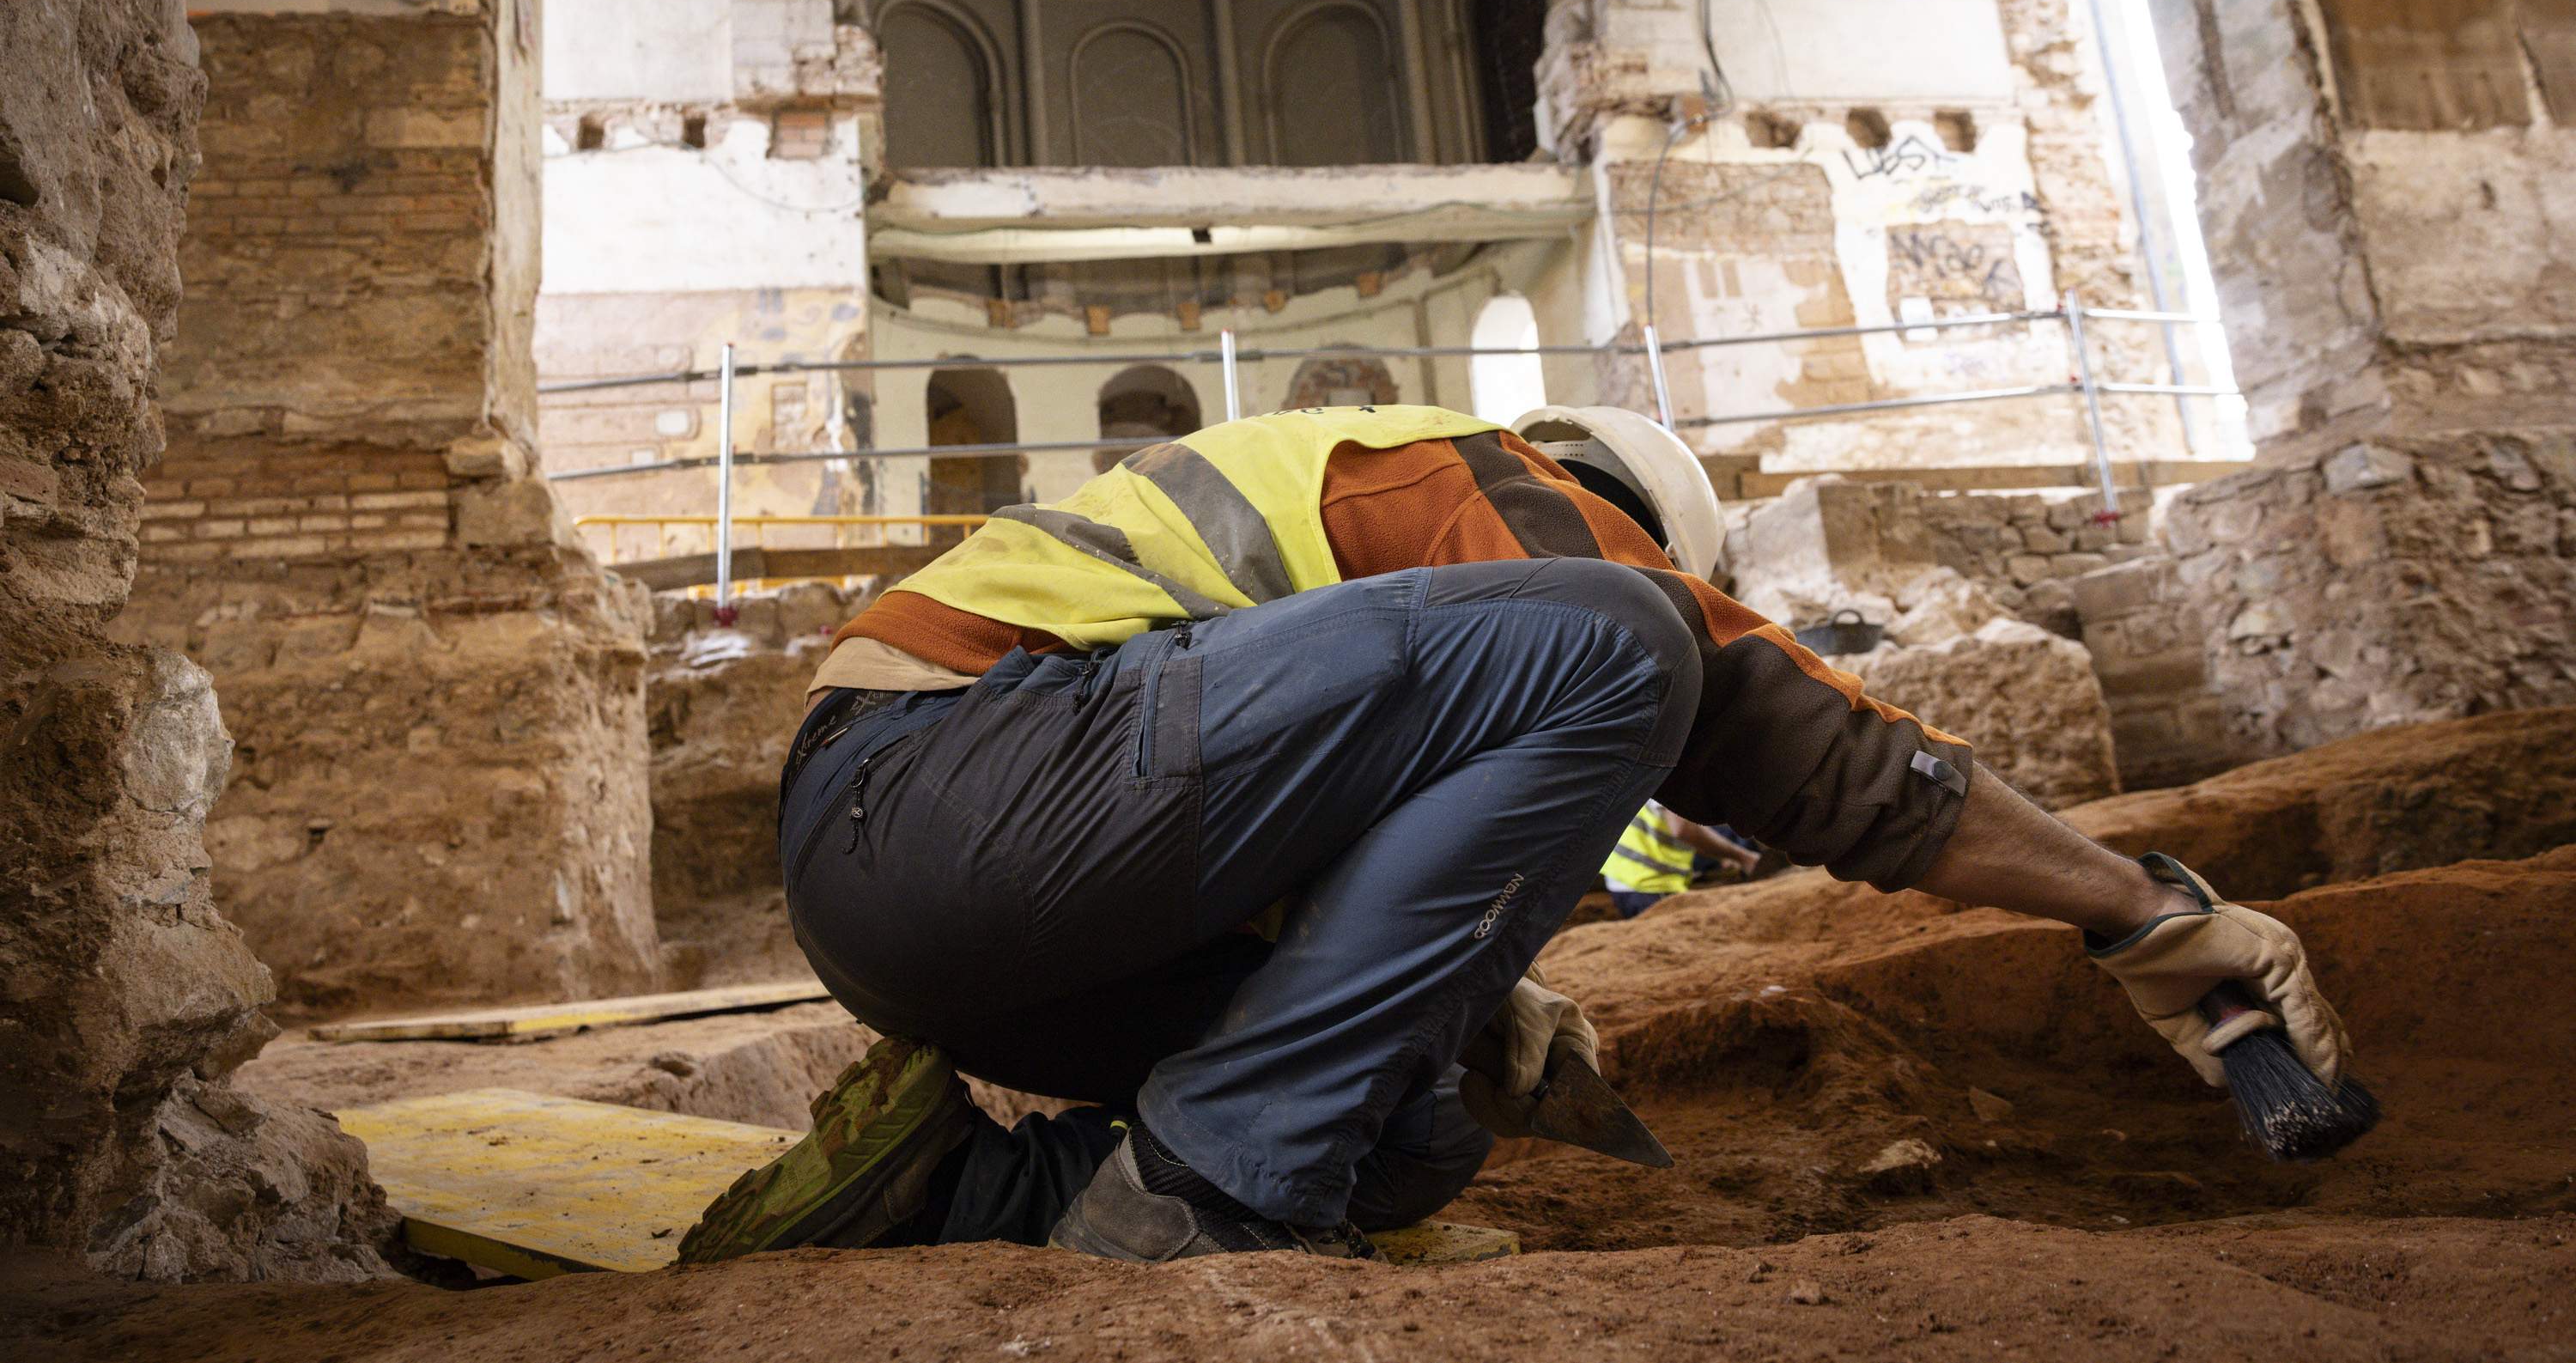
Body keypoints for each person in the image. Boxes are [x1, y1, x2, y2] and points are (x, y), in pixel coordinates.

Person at [678, 404, 2350, 1264]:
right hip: (929, 792)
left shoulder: (1382, 592)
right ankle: (1199, 1191)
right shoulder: (1472, 478)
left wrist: (1455, 996)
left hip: (966, 905)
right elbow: (1777, 729)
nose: (1671, 596)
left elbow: (1253, 795)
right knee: (1619, 641)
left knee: (1410, 1131)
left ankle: (952, 1192)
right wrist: (2134, 905)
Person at [1601, 800, 1765, 917]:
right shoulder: (1675, 770)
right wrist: (1743, 857)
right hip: (1650, 885)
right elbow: (1682, 829)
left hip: (1626, 880)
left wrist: (1722, 857)